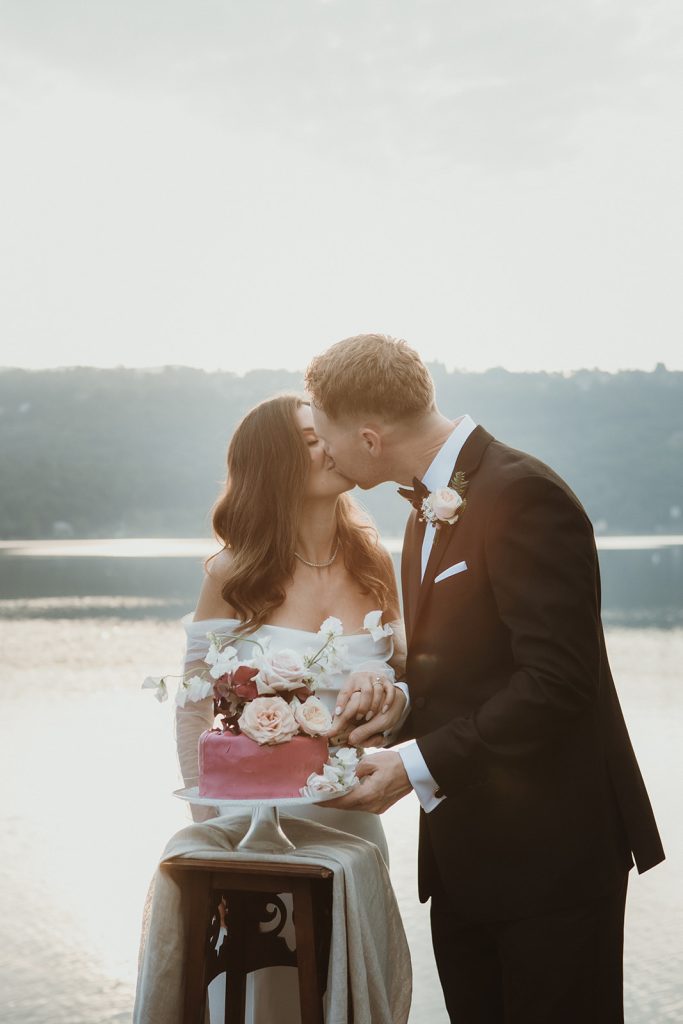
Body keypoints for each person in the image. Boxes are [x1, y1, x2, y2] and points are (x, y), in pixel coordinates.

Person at [305, 333, 665, 1024]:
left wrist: (411, 765)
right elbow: (472, 667)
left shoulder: (522, 493)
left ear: (370, 437)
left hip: (552, 859)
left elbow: (557, 682)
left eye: (325, 436)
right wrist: (400, 705)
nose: (322, 453)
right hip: (468, 857)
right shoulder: (423, 510)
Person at [175, 392, 409, 1023]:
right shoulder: (234, 572)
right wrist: (211, 834)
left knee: (347, 991)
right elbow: (193, 708)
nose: (328, 446)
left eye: (324, 433)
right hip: (252, 829)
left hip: (352, 820)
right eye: (309, 441)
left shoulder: (374, 562)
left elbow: (407, 687)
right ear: (274, 465)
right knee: (265, 1000)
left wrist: (393, 701)